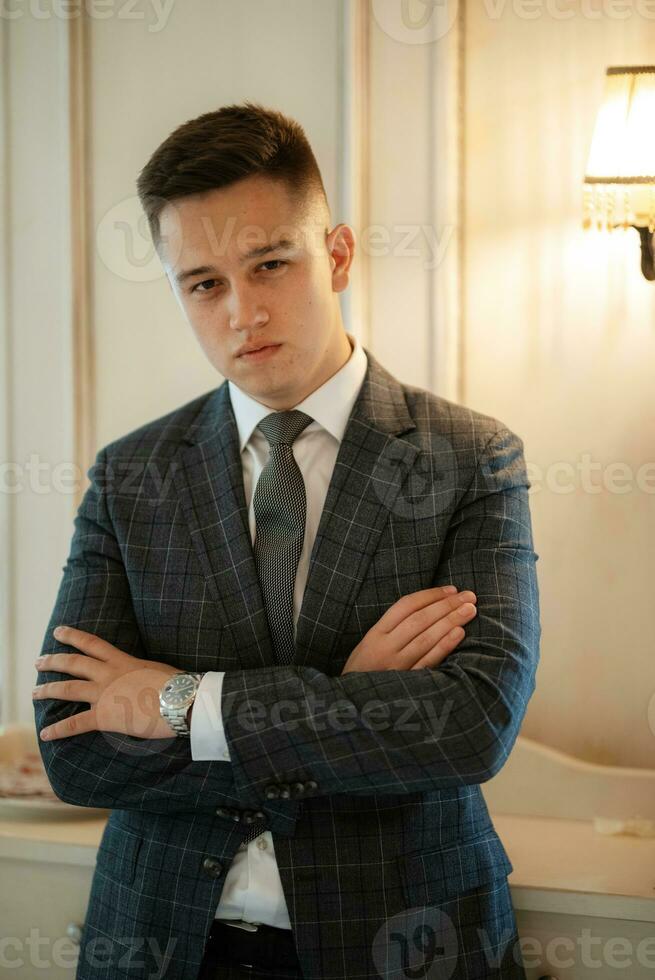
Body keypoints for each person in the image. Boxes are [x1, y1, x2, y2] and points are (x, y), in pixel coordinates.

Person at [33, 102, 541, 980]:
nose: (241, 311)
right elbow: (75, 750)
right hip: (160, 940)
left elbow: (470, 727)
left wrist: (187, 706)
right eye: (203, 283)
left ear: (336, 253)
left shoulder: (470, 458)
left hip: (404, 940)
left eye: (270, 263)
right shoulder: (132, 475)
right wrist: (348, 702)